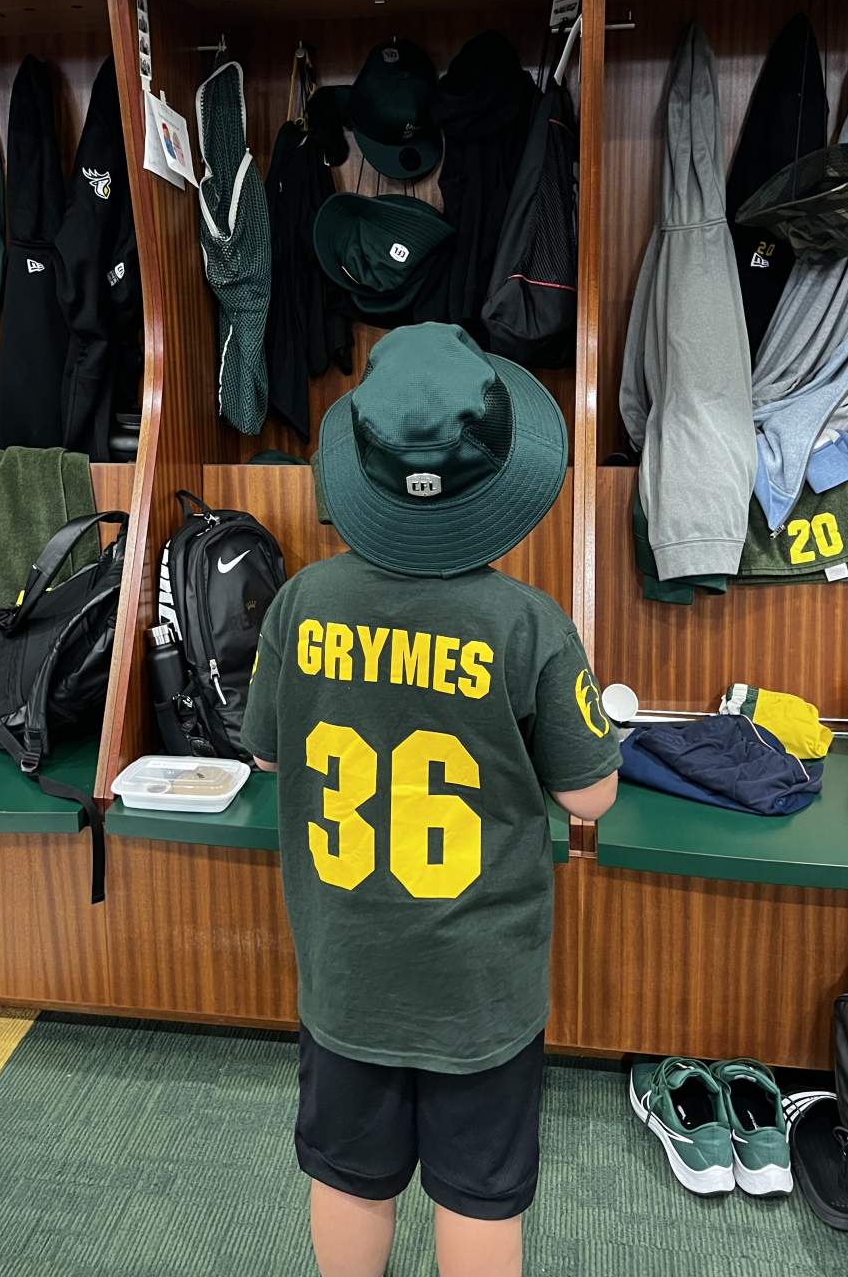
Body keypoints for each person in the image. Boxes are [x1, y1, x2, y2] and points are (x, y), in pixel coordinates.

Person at [242, 323, 621, 1277]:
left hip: (347, 973)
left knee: (348, 1175)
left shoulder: (302, 601)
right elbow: (592, 795)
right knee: (480, 1193)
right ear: (497, 482)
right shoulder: (529, 623)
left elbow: (278, 761)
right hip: (478, 993)